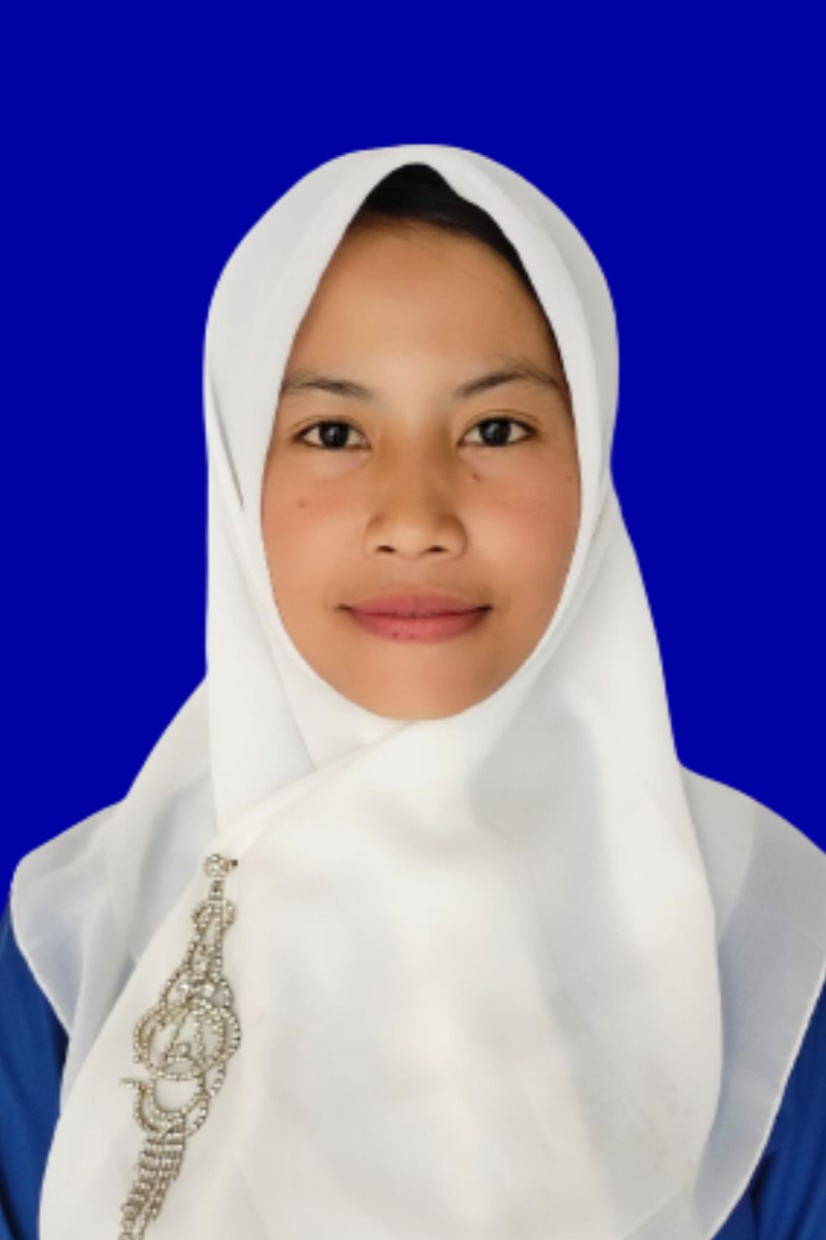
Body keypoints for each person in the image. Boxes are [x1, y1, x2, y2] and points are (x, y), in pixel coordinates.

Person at [1, 144, 824, 1239]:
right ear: (238, 476)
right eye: (333, 434)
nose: (416, 518)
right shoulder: (63, 960)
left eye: (496, 430)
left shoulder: (776, 953)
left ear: (592, 467)